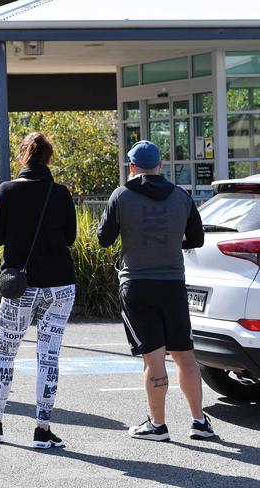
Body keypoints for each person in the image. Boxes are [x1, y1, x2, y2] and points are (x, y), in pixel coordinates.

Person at [97, 140, 215, 441]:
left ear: (133, 167)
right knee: (185, 355)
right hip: (173, 284)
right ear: (161, 165)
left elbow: (104, 238)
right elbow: (197, 239)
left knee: (154, 358)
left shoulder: (121, 195)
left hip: (137, 285)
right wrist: (171, 243)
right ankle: (199, 422)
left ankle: (158, 425)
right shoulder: (181, 196)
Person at [0, 132, 77, 449]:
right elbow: (70, 239)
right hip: (60, 284)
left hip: (21, 286)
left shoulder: (7, 191)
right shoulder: (60, 194)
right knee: (49, 357)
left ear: (23, 157)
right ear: (49, 158)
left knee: (6, 354)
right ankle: (42, 429)